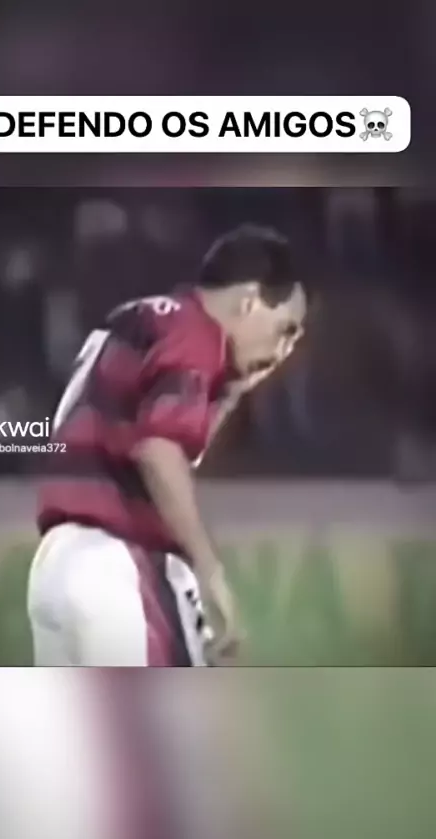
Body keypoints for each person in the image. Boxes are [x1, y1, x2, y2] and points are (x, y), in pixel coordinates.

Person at [27, 224, 307, 666]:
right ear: (249, 301)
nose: (286, 349)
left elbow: (162, 439)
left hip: (55, 569)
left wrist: (229, 394)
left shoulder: (146, 318)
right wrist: (210, 571)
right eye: (285, 330)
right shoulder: (196, 335)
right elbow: (158, 451)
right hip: (118, 565)